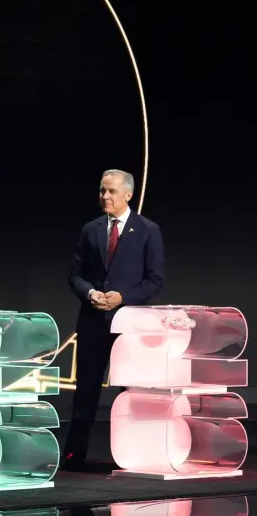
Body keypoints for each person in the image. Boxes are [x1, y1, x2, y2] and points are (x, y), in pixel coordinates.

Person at [63, 169, 165, 471]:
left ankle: (135, 455)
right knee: (86, 391)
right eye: (101, 191)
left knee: (132, 391)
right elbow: (74, 276)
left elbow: (156, 280)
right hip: (93, 322)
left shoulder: (148, 230)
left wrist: (124, 297)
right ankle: (74, 455)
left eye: (111, 191)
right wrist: (91, 292)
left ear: (128, 195)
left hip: (129, 326)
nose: (104, 196)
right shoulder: (90, 229)